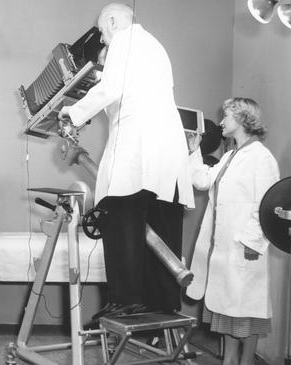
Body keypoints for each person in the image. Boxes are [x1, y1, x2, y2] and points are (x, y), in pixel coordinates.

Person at [58, 2, 195, 315]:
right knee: (161, 225)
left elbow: (111, 89)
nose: (104, 40)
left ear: (113, 21)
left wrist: (72, 113)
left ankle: (125, 300)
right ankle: (162, 303)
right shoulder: (155, 46)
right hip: (166, 152)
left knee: (120, 220)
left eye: (104, 33)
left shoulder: (124, 40)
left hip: (138, 149)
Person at [186, 97, 279, 365]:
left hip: (245, 248)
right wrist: (193, 150)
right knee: (228, 311)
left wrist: (252, 241)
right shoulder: (230, 155)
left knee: (247, 313)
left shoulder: (262, 157)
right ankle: (229, 361)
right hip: (224, 249)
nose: (222, 122)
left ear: (242, 119)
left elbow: (267, 204)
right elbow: (202, 180)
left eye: (226, 116)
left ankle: (246, 362)